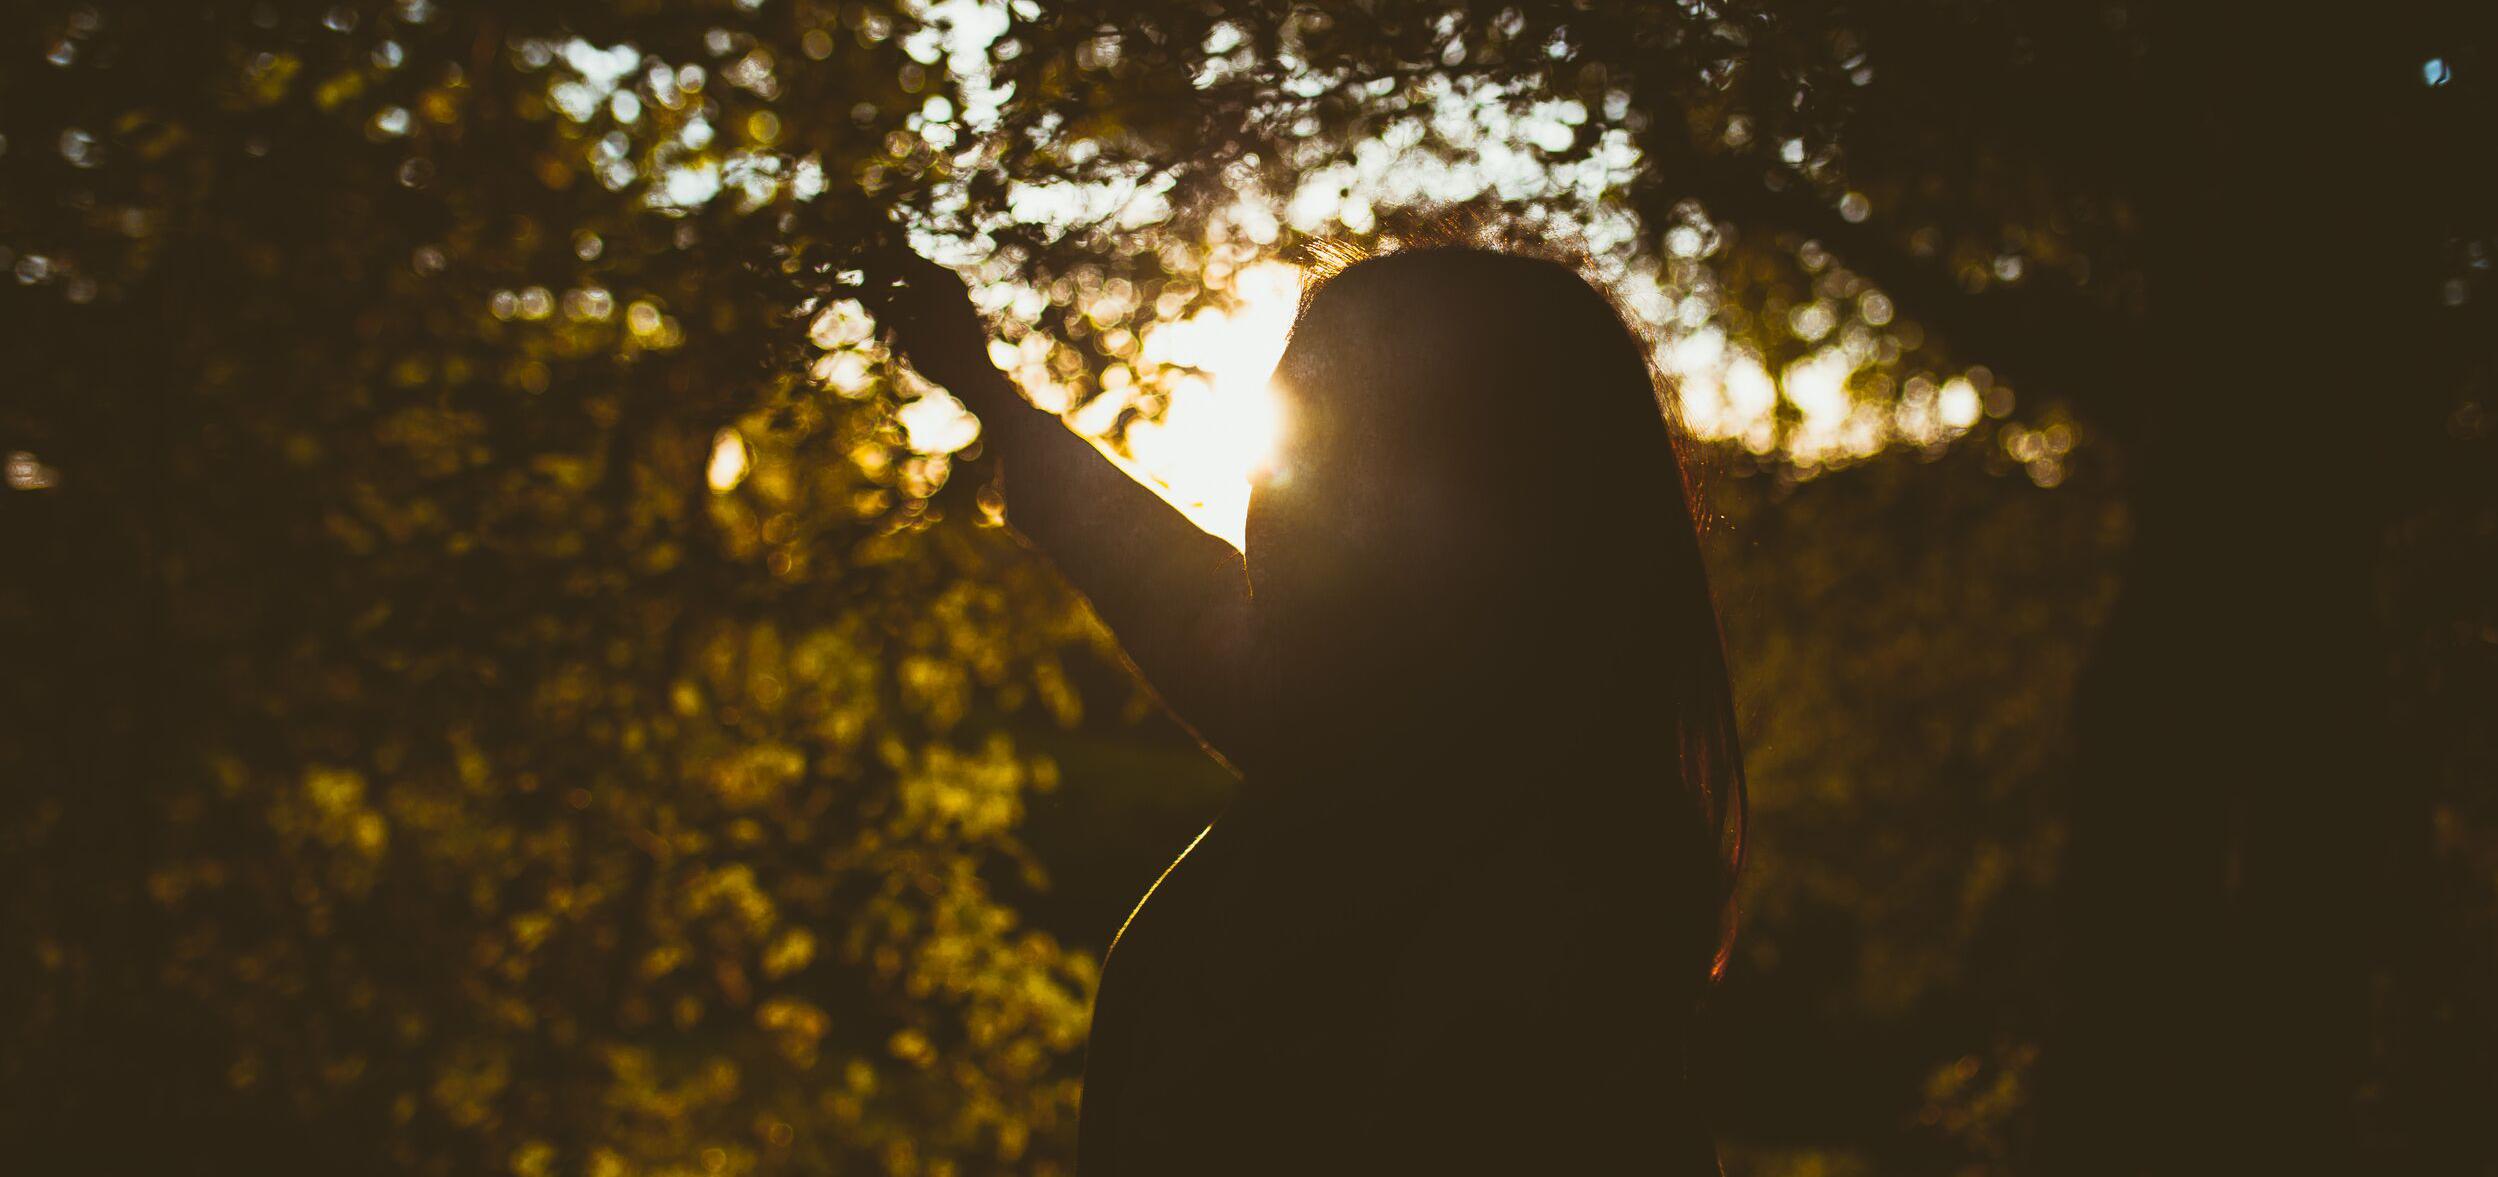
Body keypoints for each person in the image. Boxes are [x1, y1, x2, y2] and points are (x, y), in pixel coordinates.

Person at [867, 240, 1745, 1174]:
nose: (1265, 506)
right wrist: (987, 394)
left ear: (1484, 509)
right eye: (1275, 455)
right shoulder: (1393, 754)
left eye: (1327, 458)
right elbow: (1166, 582)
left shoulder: (1541, 934)